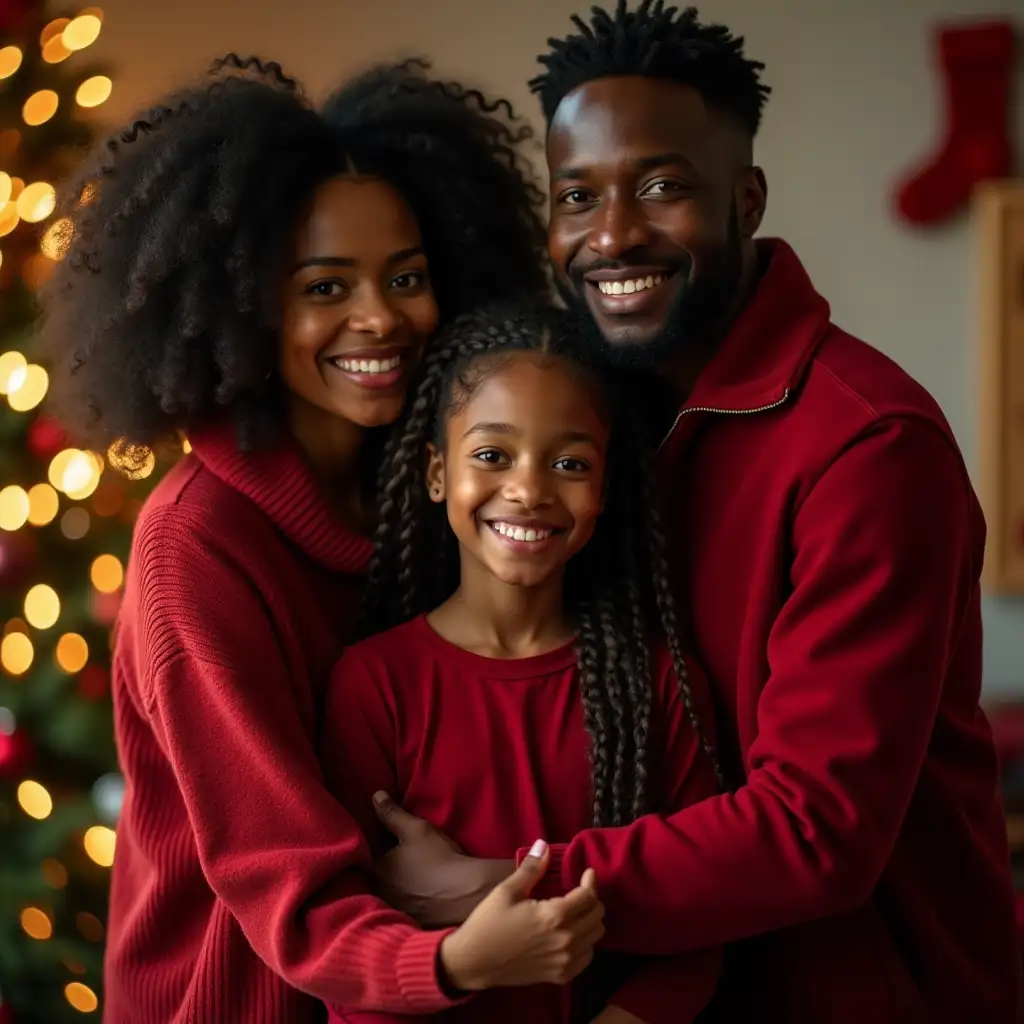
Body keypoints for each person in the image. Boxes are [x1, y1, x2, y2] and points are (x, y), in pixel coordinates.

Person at [360, 5, 1023, 1022]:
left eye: (661, 186)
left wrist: (493, 886)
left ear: (744, 199)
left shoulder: (870, 446)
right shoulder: (583, 416)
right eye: (577, 195)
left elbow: (817, 831)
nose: (613, 231)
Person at [37, 55, 597, 1024]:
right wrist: (456, 962)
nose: (379, 317)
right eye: (324, 286)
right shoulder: (196, 547)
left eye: (407, 277)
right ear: (241, 304)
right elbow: (284, 878)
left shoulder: (445, 488)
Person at [319, 302, 721, 1023]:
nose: (530, 491)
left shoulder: (661, 685)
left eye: (569, 463)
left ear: (603, 490)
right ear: (437, 473)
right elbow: (350, 945)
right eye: (492, 455)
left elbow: (696, 932)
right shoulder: (374, 686)